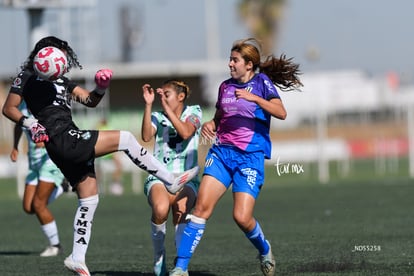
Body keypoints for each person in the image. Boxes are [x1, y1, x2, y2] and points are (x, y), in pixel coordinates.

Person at [2, 36, 199, 276]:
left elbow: (90, 101)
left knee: (89, 199)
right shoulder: (28, 76)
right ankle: (170, 179)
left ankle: (77, 257)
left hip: (64, 141)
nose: (64, 61)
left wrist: (101, 87)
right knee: (125, 138)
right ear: (46, 55)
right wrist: (31, 124)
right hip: (63, 138)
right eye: (61, 56)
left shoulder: (62, 80)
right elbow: (8, 108)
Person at [169, 38, 303, 276]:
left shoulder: (262, 83)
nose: (230, 64)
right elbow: (220, 114)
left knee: (241, 217)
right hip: (221, 154)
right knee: (201, 208)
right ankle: (181, 268)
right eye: (230, 59)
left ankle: (264, 249)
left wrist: (256, 99)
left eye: (235, 60)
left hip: (250, 158)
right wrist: (212, 123)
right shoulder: (225, 87)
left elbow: (281, 113)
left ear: (249, 64)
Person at [141, 80, 201, 276]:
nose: (162, 98)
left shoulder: (194, 112)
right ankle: (159, 257)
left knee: (181, 211)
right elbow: (146, 137)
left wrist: (166, 107)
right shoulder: (158, 116)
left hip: (187, 178)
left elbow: (185, 132)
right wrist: (149, 104)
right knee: (160, 209)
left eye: (166, 94)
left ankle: (181, 265)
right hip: (160, 178)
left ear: (181, 96)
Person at [10, 100, 67, 257]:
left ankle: (55, 246)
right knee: (29, 207)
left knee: (39, 205)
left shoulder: (45, 103)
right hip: (33, 162)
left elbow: (60, 125)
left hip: (49, 160)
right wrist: (15, 146)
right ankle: (64, 187)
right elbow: (18, 124)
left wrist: (48, 138)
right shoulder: (21, 106)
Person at [97, 118, 124, 195]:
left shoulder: (108, 127)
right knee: (98, 170)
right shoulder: (99, 128)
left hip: (109, 151)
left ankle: (115, 183)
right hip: (102, 151)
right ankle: (99, 186)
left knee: (119, 165)